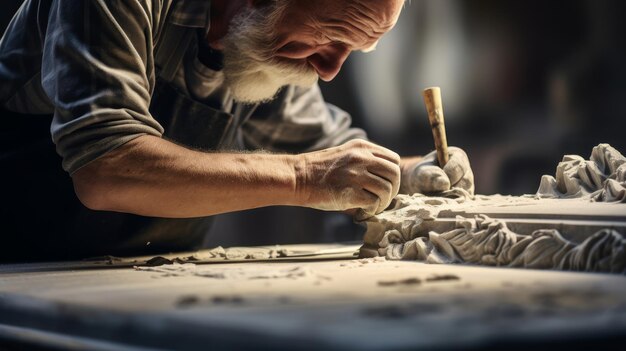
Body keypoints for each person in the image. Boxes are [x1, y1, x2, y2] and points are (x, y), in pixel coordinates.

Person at [0, 0, 474, 262]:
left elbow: (328, 153)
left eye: (354, 48)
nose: (330, 70)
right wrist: (303, 180)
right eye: (330, 35)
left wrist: (411, 174)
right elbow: (106, 165)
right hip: (20, 271)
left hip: (135, 275)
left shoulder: (269, 41)